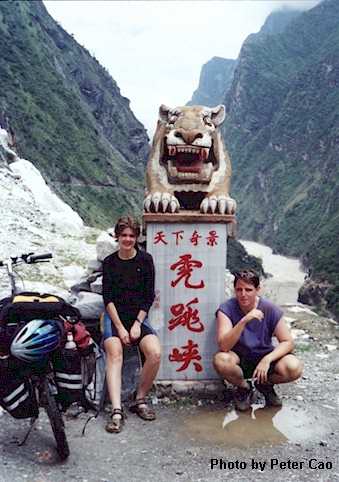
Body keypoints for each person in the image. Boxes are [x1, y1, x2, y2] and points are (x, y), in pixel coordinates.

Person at [102, 215, 161, 433]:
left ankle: (140, 399)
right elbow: (107, 298)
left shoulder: (145, 260)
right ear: (117, 237)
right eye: (123, 235)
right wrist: (119, 327)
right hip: (115, 316)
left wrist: (137, 324)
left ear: (136, 238)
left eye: (131, 236)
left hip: (138, 316)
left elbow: (148, 296)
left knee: (154, 353)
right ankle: (116, 410)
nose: (127, 239)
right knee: (115, 351)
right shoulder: (109, 262)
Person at [213, 270, 303, 411]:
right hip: (239, 359)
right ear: (234, 289)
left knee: (294, 366)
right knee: (221, 360)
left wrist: (267, 360)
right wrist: (244, 321)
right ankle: (244, 387)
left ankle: (265, 384)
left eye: (248, 290)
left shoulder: (269, 309)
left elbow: (287, 342)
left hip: (264, 358)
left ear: (258, 290)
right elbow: (224, 346)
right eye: (239, 289)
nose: (243, 294)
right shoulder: (226, 309)